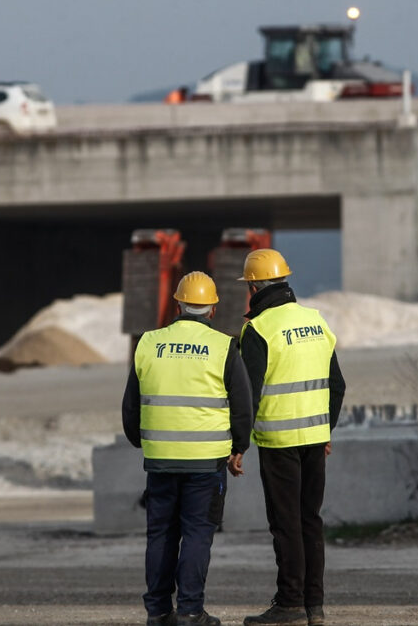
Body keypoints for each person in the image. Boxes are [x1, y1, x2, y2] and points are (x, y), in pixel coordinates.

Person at [123, 271, 253, 626]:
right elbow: (242, 405)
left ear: (177, 305)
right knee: (197, 534)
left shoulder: (148, 343)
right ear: (212, 309)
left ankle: (159, 612)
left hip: (161, 461)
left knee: (161, 535)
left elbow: (131, 405)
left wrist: (141, 441)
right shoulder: (225, 346)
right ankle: (191, 611)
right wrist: (239, 447)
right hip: (206, 462)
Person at [237, 249, 346, 626]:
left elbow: (248, 394)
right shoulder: (316, 321)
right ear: (285, 280)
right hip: (316, 440)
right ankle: (314, 606)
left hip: (279, 442)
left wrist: (238, 445)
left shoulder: (259, 329)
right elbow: (337, 384)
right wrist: (326, 429)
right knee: (309, 521)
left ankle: (289, 604)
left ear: (253, 285)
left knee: (286, 524)